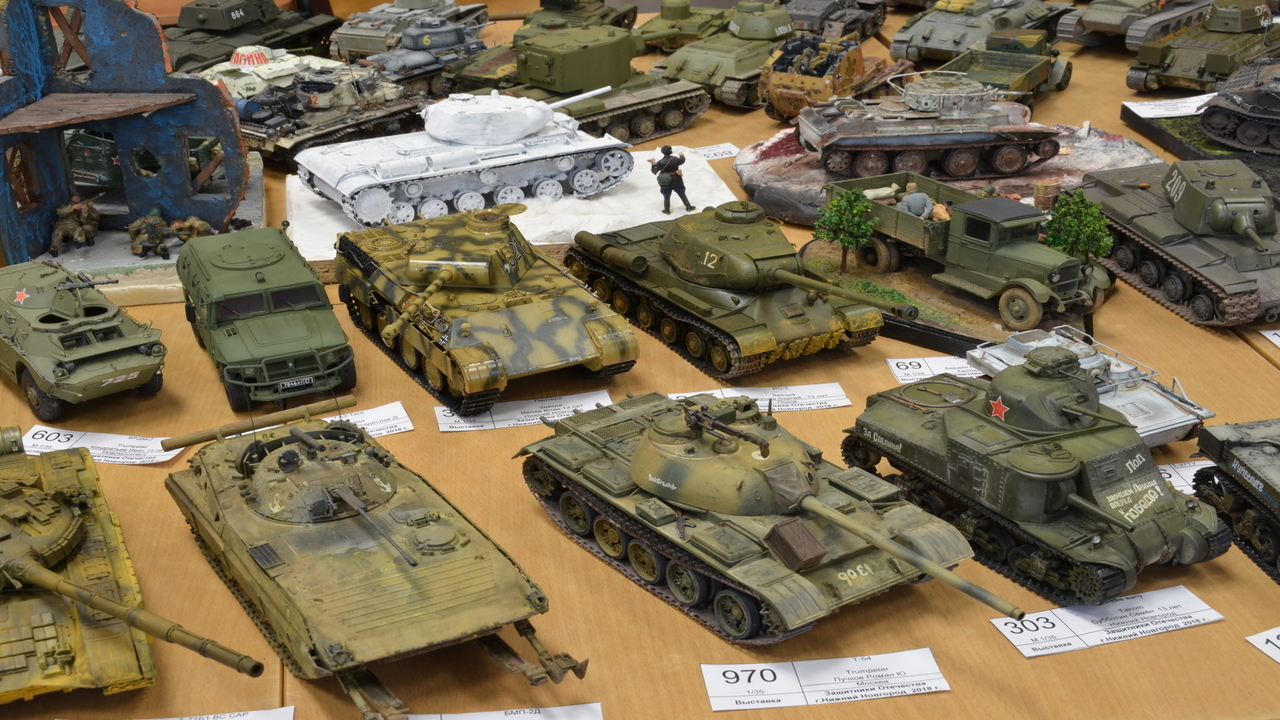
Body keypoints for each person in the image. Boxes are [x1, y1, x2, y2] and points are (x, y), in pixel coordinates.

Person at [648, 146, 695, 215]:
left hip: (665, 181)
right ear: (670, 151)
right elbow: (682, 160)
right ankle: (688, 207)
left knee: (666, 196)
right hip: (676, 179)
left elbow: (654, 171)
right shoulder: (675, 159)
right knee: (682, 194)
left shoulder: (660, 162)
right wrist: (681, 155)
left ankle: (667, 210)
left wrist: (653, 164)